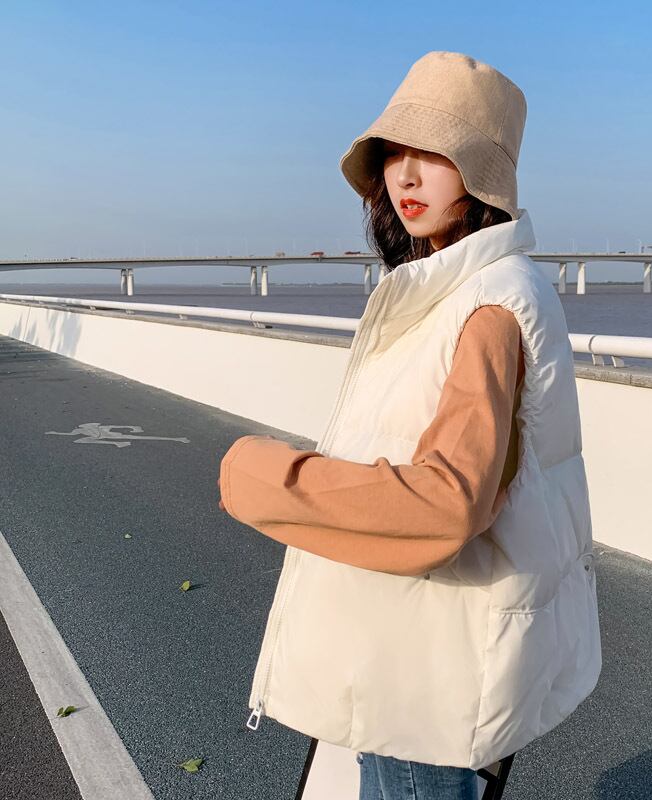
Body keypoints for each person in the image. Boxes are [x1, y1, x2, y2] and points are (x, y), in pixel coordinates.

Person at [219, 50, 601, 800]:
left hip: (427, 659)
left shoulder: (486, 306)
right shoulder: (451, 289)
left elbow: (446, 503)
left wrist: (264, 477)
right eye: (394, 153)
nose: (406, 176)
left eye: (434, 153)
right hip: (409, 642)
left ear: (483, 174)